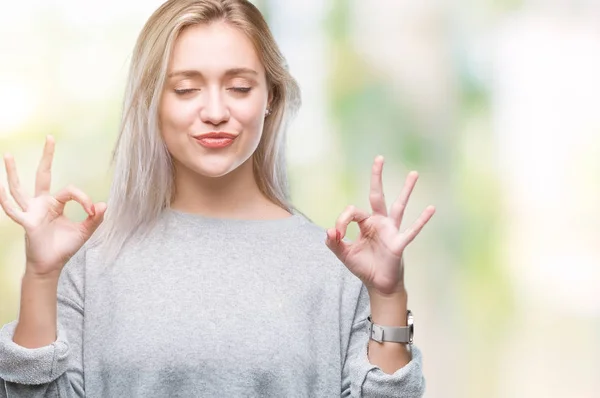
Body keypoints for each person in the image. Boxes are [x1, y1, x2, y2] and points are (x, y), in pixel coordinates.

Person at [0, 0, 435, 396]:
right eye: (186, 89)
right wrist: (39, 277)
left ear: (270, 98)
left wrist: (388, 295)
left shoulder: (336, 265)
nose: (214, 111)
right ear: (153, 101)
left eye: (240, 88)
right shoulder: (93, 263)